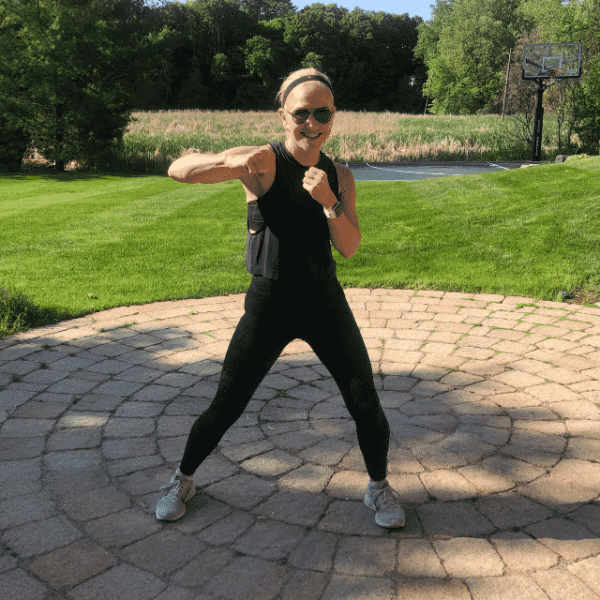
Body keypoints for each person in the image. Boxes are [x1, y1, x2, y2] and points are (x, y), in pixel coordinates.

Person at [156, 67, 405, 529]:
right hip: (269, 304)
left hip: (324, 303)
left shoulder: (341, 175)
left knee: (364, 400)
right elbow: (179, 171)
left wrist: (329, 200)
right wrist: (235, 167)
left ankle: (379, 488)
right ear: (282, 115)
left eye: (322, 112)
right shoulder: (262, 161)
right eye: (302, 113)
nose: (312, 122)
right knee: (227, 403)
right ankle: (182, 478)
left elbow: (348, 247)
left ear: (334, 117)